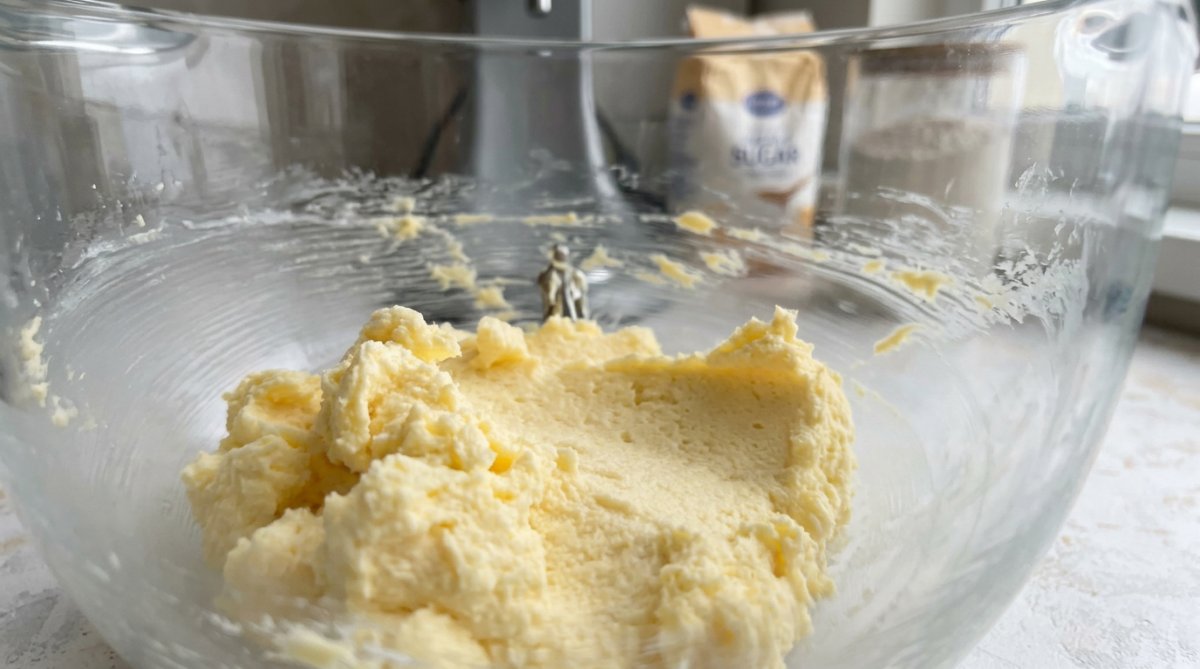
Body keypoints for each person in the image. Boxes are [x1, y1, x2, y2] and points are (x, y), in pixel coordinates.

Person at [537, 244, 588, 321]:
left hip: (570, 309)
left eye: (562, 255)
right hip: (555, 311)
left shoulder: (575, 274)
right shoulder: (548, 274)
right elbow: (545, 287)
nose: (561, 257)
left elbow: (581, 296)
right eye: (558, 255)